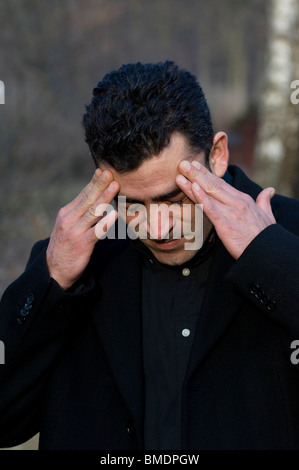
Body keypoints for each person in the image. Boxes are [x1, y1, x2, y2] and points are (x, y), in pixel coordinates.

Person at [0, 61, 299, 451]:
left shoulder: (288, 234)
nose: (158, 229)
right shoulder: (73, 260)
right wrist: (51, 279)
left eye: (173, 198)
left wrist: (270, 258)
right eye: (132, 203)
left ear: (218, 154)